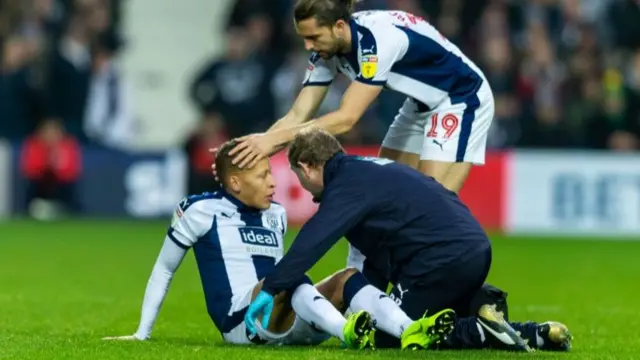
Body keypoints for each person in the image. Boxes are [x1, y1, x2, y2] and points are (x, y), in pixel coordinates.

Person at [103, 140, 455, 349]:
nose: (273, 183)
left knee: (346, 278)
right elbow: (165, 269)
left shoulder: (276, 213)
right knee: (290, 277)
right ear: (236, 182)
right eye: (262, 176)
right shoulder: (198, 210)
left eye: (271, 173)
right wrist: (141, 334)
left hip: (289, 312)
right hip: (244, 323)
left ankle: (410, 331)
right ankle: (349, 333)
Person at [245, 128, 572, 352]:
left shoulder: (344, 185)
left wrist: (273, 287)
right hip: (472, 248)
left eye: (299, 177)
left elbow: (313, 241)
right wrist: (364, 301)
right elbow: (379, 256)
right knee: (429, 318)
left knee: (395, 334)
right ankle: (535, 332)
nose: (301, 184)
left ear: (305, 167)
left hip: (438, 261)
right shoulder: (370, 169)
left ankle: (478, 329)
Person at [223, 0, 494, 194]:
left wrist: (271, 139)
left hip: (460, 97)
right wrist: (246, 156)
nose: (308, 46)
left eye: (314, 37)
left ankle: (452, 272)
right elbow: (296, 116)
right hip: (420, 103)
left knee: (430, 202)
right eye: (304, 38)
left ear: (339, 27)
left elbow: (346, 119)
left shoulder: (376, 41)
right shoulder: (326, 50)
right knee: (385, 191)